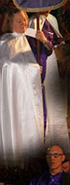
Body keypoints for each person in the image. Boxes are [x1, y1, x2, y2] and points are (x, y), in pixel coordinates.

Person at [0, 7, 53, 167]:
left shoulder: (28, 38)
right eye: (19, 21)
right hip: (13, 95)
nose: (23, 23)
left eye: (24, 20)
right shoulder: (5, 41)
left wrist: (43, 40)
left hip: (31, 93)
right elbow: (4, 65)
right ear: (10, 23)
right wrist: (31, 68)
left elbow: (48, 50)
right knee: (17, 126)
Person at [29, 11, 69, 152]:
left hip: (51, 61)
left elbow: (56, 40)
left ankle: (56, 130)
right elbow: (30, 43)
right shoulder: (33, 21)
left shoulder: (52, 19)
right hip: (40, 60)